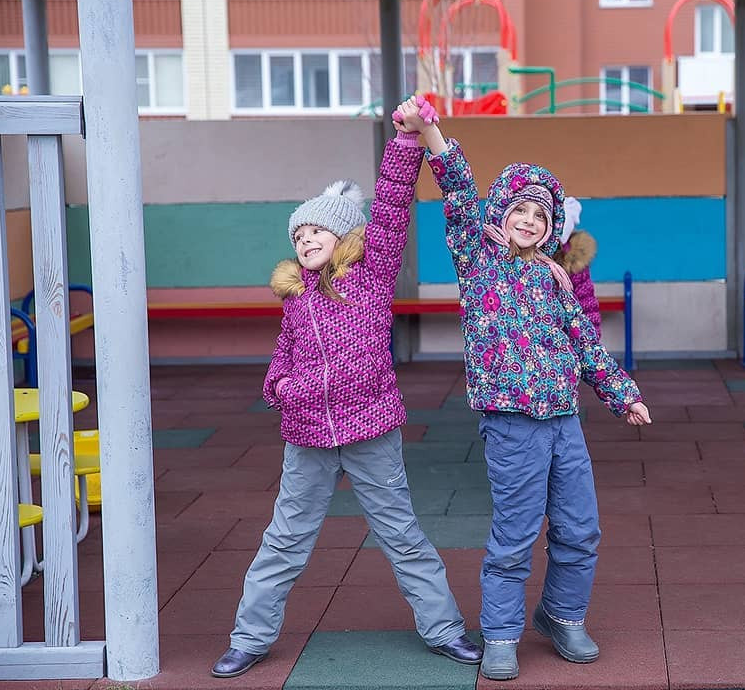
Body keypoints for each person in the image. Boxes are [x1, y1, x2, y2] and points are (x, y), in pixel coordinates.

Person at [211, 98, 481, 679]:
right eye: (299, 233)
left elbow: (389, 208)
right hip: (307, 434)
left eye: (316, 230)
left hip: (370, 430)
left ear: (340, 236)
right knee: (285, 537)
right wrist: (280, 385)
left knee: (401, 533)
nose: (306, 238)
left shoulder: (372, 273)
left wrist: (409, 140)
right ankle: (249, 637)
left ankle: (444, 630)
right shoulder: (296, 298)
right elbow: (283, 359)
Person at [399, 110, 652, 681]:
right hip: (511, 421)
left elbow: (586, 344)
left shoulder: (557, 279)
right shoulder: (478, 260)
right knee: (515, 532)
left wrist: (621, 394)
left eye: (542, 214)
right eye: (520, 209)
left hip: (564, 418)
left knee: (580, 525)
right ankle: (501, 632)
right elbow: (459, 187)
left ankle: (562, 615)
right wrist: (429, 131)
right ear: (500, 214)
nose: (530, 220)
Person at [552, 196, 601, 334]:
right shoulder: (526, 261)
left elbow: (587, 305)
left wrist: (591, 339)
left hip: (568, 339)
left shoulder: (574, 265)